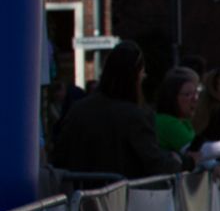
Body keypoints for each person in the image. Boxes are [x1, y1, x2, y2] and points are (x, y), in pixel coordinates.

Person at [50, 41, 186, 179]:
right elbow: (155, 163)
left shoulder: (78, 109)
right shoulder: (135, 116)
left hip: (79, 189)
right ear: (136, 76)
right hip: (122, 189)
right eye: (142, 74)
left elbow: (59, 156)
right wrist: (181, 162)